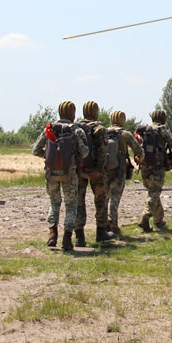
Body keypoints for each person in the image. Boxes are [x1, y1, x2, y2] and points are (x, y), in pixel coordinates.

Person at [31, 101, 88, 252]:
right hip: (69, 173)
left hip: (51, 173)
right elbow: (84, 152)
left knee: (54, 202)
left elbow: (35, 150)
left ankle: (52, 234)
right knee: (70, 205)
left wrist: (49, 158)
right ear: (72, 113)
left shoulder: (49, 129)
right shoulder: (75, 130)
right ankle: (67, 238)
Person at [136, 109, 172, 231]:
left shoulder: (145, 129)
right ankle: (145, 216)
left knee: (153, 192)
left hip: (144, 166)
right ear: (163, 118)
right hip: (157, 167)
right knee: (154, 192)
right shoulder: (162, 129)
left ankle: (158, 220)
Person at [75, 100, 113, 245]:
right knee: (100, 201)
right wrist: (98, 170)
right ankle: (101, 233)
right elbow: (103, 152)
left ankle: (79, 236)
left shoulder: (76, 128)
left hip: (80, 171)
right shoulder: (100, 129)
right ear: (95, 112)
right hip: (96, 172)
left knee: (79, 202)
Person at [105, 110, 144, 236]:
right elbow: (138, 150)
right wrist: (140, 160)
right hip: (119, 170)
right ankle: (114, 225)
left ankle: (104, 224)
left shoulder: (103, 132)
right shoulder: (125, 134)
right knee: (115, 198)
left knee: (104, 198)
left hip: (104, 170)